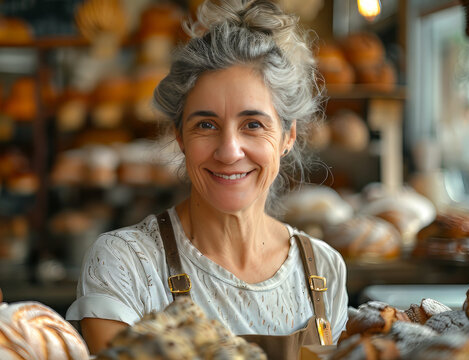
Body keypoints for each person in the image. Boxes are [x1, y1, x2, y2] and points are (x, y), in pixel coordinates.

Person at [66, 0, 348, 353]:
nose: (229, 151)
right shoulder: (126, 264)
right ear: (180, 137)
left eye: (253, 125)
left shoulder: (322, 271)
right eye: (206, 124)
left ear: (287, 136)